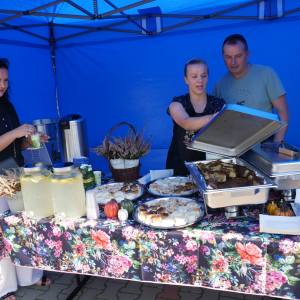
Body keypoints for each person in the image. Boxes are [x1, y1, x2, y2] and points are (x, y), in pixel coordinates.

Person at [0, 58, 52, 300]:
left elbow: (17, 145)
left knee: (22, 228)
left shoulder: (8, 107)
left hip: (13, 173)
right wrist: (16, 132)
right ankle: (4, 288)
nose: (2, 85)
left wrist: (32, 140)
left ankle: (30, 277)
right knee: (2, 233)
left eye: (5, 80)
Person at [212, 34, 289, 143]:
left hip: (264, 145)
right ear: (222, 56)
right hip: (233, 147)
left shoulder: (266, 74)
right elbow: (217, 123)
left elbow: (283, 110)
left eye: (238, 56)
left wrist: (276, 144)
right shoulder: (219, 85)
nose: (233, 62)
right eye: (228, 57)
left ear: (247, 54)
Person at [166, 58, 225, 176]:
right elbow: (186, 123)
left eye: (204, 75)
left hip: (209, 170)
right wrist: (216, 117)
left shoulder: (219, 104)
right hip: (179, 168)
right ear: (186, 79)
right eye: (194, 76)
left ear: (208, 77)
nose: (200, 80)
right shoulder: (177, 103)